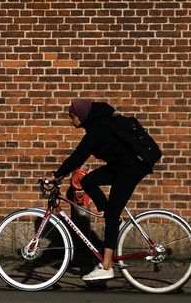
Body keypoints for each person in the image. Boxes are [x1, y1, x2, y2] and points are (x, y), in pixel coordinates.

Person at [49, 98, 150, 282]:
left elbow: (78, 156)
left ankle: (106, 266)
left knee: (111, 215)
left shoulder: (98, 129)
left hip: (130, 169)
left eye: (72, 117)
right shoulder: (97, 125)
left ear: (81, 116)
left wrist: (56, 175)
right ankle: (111, 216)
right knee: (88, 181)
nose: (70, 121)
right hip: (120, 166)